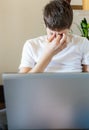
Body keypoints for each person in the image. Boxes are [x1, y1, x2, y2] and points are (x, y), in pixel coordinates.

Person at [19, 0, 89, 73]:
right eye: (52, 33)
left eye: (61, 34)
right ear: (44, 25)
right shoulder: (31, 45)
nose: (56, 39)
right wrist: (49, 53)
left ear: (70, 27)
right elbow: (24, 81)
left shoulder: (83, 43)